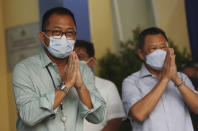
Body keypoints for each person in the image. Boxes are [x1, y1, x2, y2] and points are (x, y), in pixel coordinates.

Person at [12, 7, 105, 131]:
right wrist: (65, 85)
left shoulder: (82, 68)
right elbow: (29, 116)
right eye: (57, 32)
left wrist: (80, 86)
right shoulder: (24, 69)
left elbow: (98, 117)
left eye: (69, 32)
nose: (64, 38)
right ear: (42, 37)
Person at [122, 27, 198, 131]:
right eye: (153, 49)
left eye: (163, 47)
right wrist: (165, 79)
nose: (160, 52)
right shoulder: (131, 82)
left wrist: (176, 79)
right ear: (141, 54)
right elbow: (139, 114)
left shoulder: (182, 77)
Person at [74, 40, 126, 131]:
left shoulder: (107, 86)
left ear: (91, 61)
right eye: (70, 57)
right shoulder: (60, 87)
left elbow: (115, 121)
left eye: (80, 57)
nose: (75, 61)